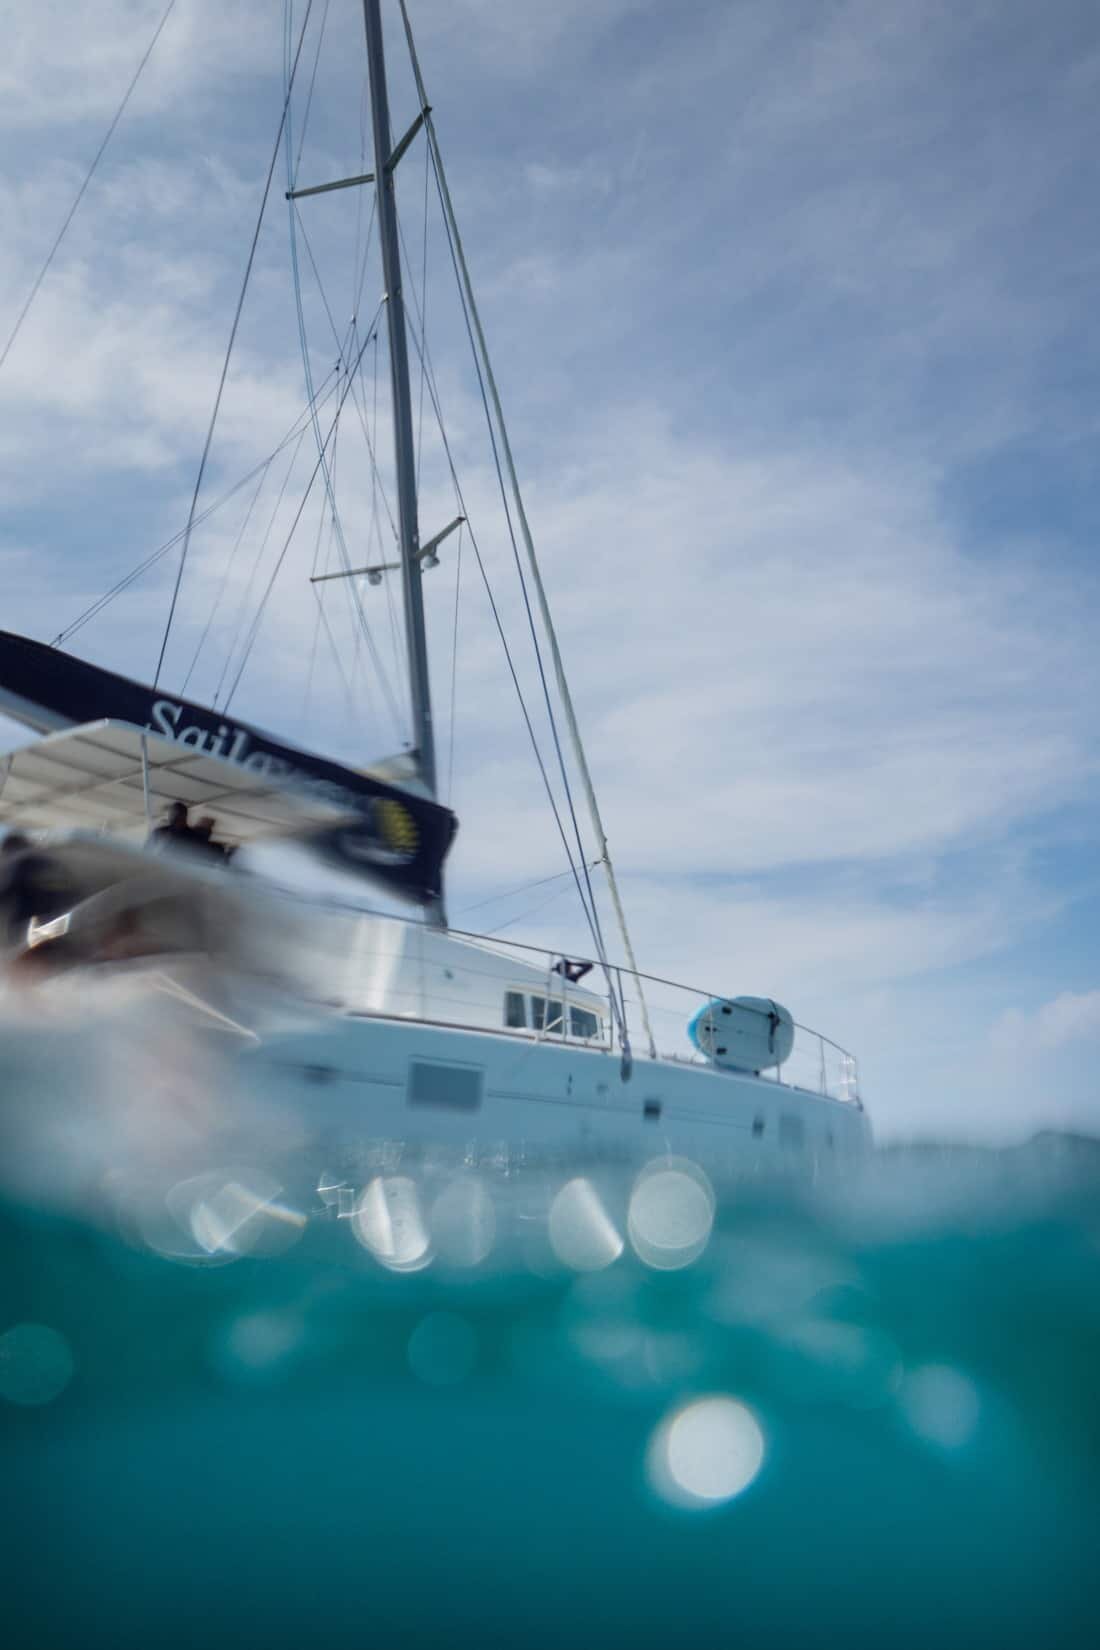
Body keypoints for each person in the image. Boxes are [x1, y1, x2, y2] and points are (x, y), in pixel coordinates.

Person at [0, 832, 76, 952]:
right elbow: (71, 891)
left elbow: (8, 890)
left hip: (27, 921)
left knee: (26, 954)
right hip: (55, 920)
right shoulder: (51, 862)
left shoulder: (20, 861)